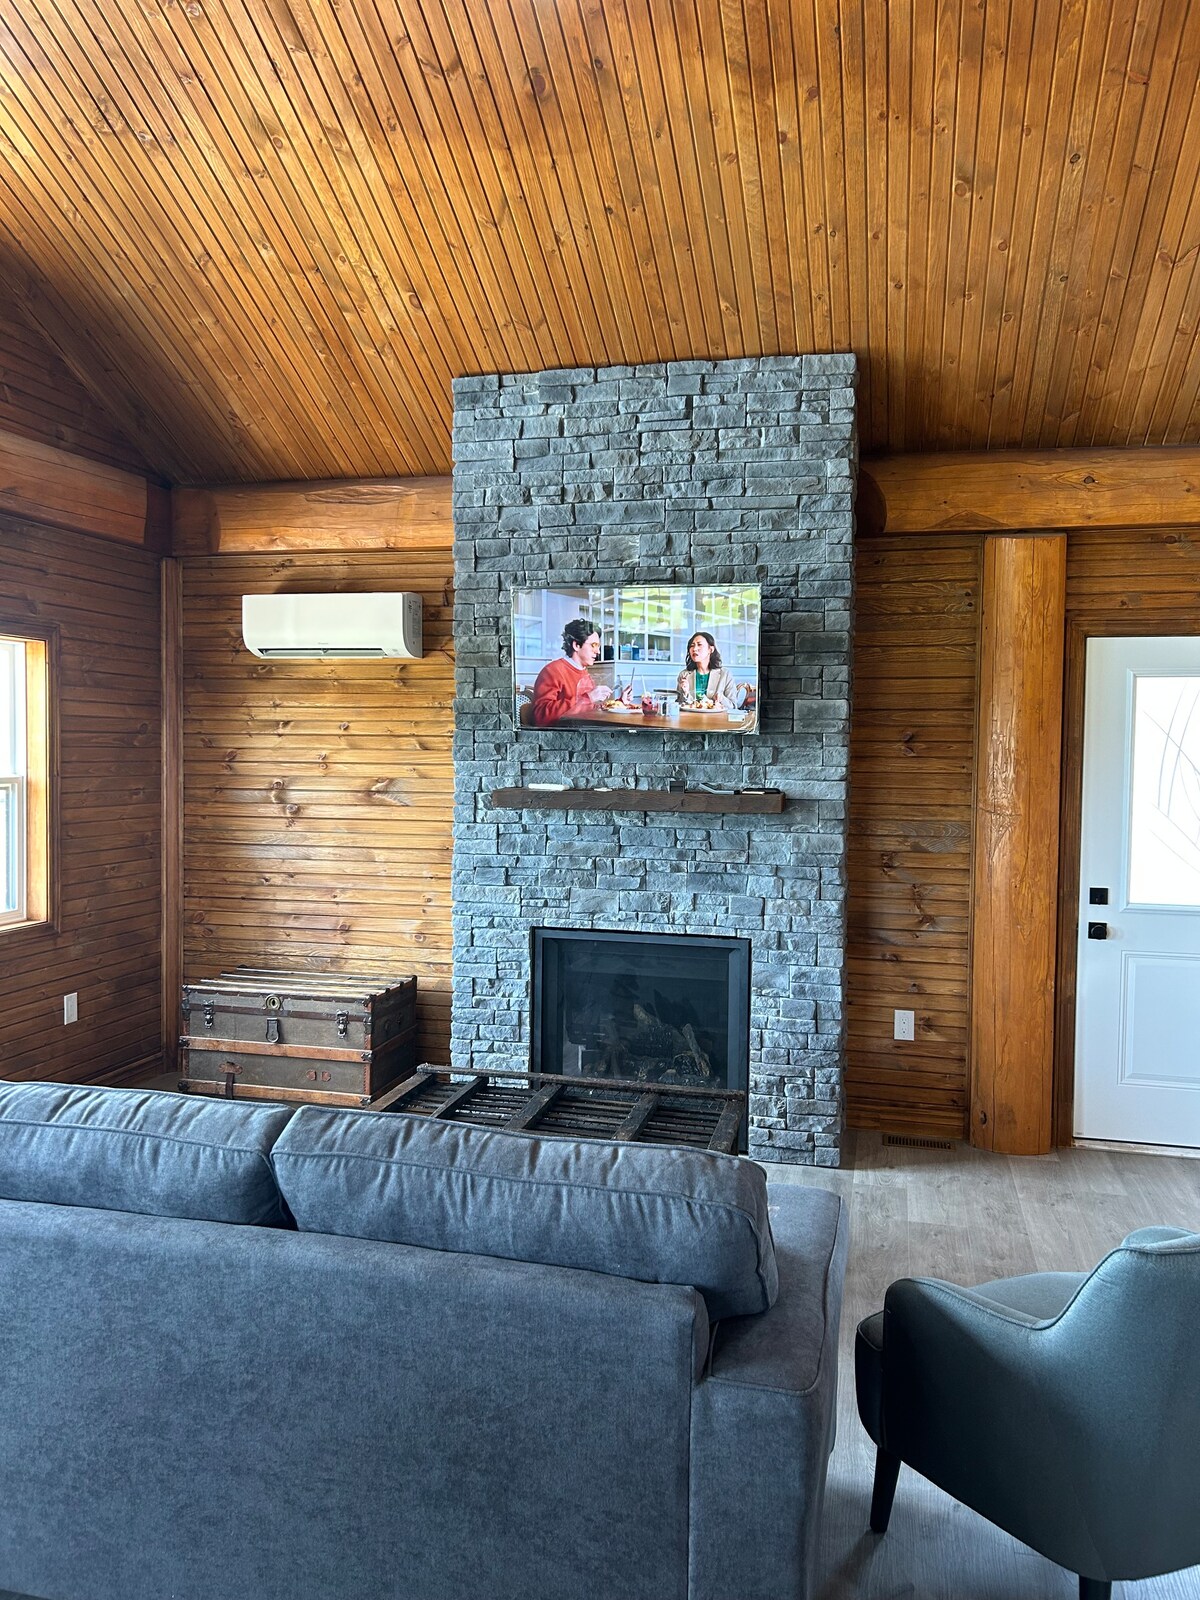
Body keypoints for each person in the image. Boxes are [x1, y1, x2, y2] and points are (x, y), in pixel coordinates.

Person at [530, 619, 631, 726]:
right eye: (593, 645)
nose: (598, 651)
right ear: (576, 645)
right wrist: (589, 698)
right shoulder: (552, 671)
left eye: (598, 646)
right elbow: (540, 717)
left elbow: (592, 709)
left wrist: (620, 702)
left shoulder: (584, 672)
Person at [676, 631, 738, 708]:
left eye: (699, 645)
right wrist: (685, 693)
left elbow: (733, 706)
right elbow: (678, 705)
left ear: (710, 649)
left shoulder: (725, 674)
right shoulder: (684, 675)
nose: (694, 649)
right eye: (692, 646)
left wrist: (721, 698)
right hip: (691, 718)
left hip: (717, 719)